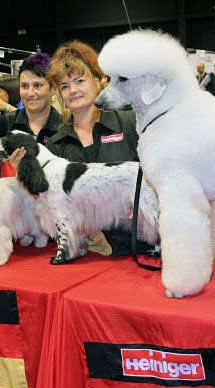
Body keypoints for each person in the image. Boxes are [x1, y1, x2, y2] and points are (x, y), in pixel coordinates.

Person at [44, 39, 153, 256]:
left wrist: (144, 198)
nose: (73, 90)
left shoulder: (131, 123)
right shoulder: (56, 145)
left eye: (79, 81)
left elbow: (161, 171)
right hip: (89, 255)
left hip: (143, 248)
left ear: (98, 81)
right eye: (65, 86)